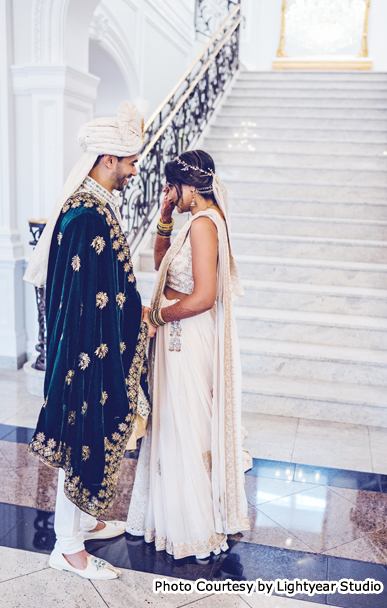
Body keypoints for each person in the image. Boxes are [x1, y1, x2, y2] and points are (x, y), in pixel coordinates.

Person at [24, 100, 156, 579]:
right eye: (130, 161)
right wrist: (132, 318)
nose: (134, 169)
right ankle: (66, 546)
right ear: (107, 161)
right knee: (81, 435)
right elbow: (83, 298)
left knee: (93, 436)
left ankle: (83, 522)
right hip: (84, 351)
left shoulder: (95, 206)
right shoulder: (85, 215)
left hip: (93, 344)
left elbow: (103, 285)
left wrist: (132, 310)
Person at [126, 150, 250, 559]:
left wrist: (158, 315)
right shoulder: (195, 221)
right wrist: (164, 215)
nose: (169, 193)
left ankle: (194, 527)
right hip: (176, 333)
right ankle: (177, 516)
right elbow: (163, 263)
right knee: (176, 423)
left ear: (190, 187)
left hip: (186, 335)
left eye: (172, 188)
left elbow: (204, 296)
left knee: (186, 424)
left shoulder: (203, 225)